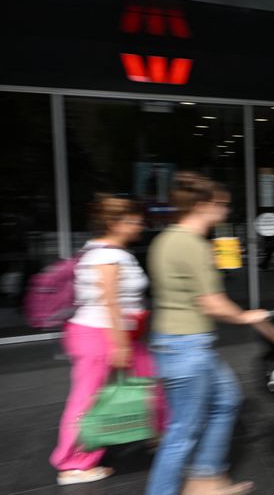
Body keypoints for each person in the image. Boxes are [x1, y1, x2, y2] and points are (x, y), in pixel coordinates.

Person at [146, 172, 270, 495]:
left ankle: (205, 479)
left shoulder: (164, 239)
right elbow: (212, 304)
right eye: (220, 205)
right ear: (201, 206)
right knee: (181, 432)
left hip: (173, 345)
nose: (224, 212)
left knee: (228, 399)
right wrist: (246, 316)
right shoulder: (192, 245)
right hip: (188, 349)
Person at [51, 195, 161, 485]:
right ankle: (73, 463)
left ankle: (158, 436)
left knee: (151, 383)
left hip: (113, 334)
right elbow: (110, 301)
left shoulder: (103, 250)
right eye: (133, 220)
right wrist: (120, 344)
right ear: (114, 223)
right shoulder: (105, 255)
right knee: (88, 400)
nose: (139, 225)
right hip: (101, 335)